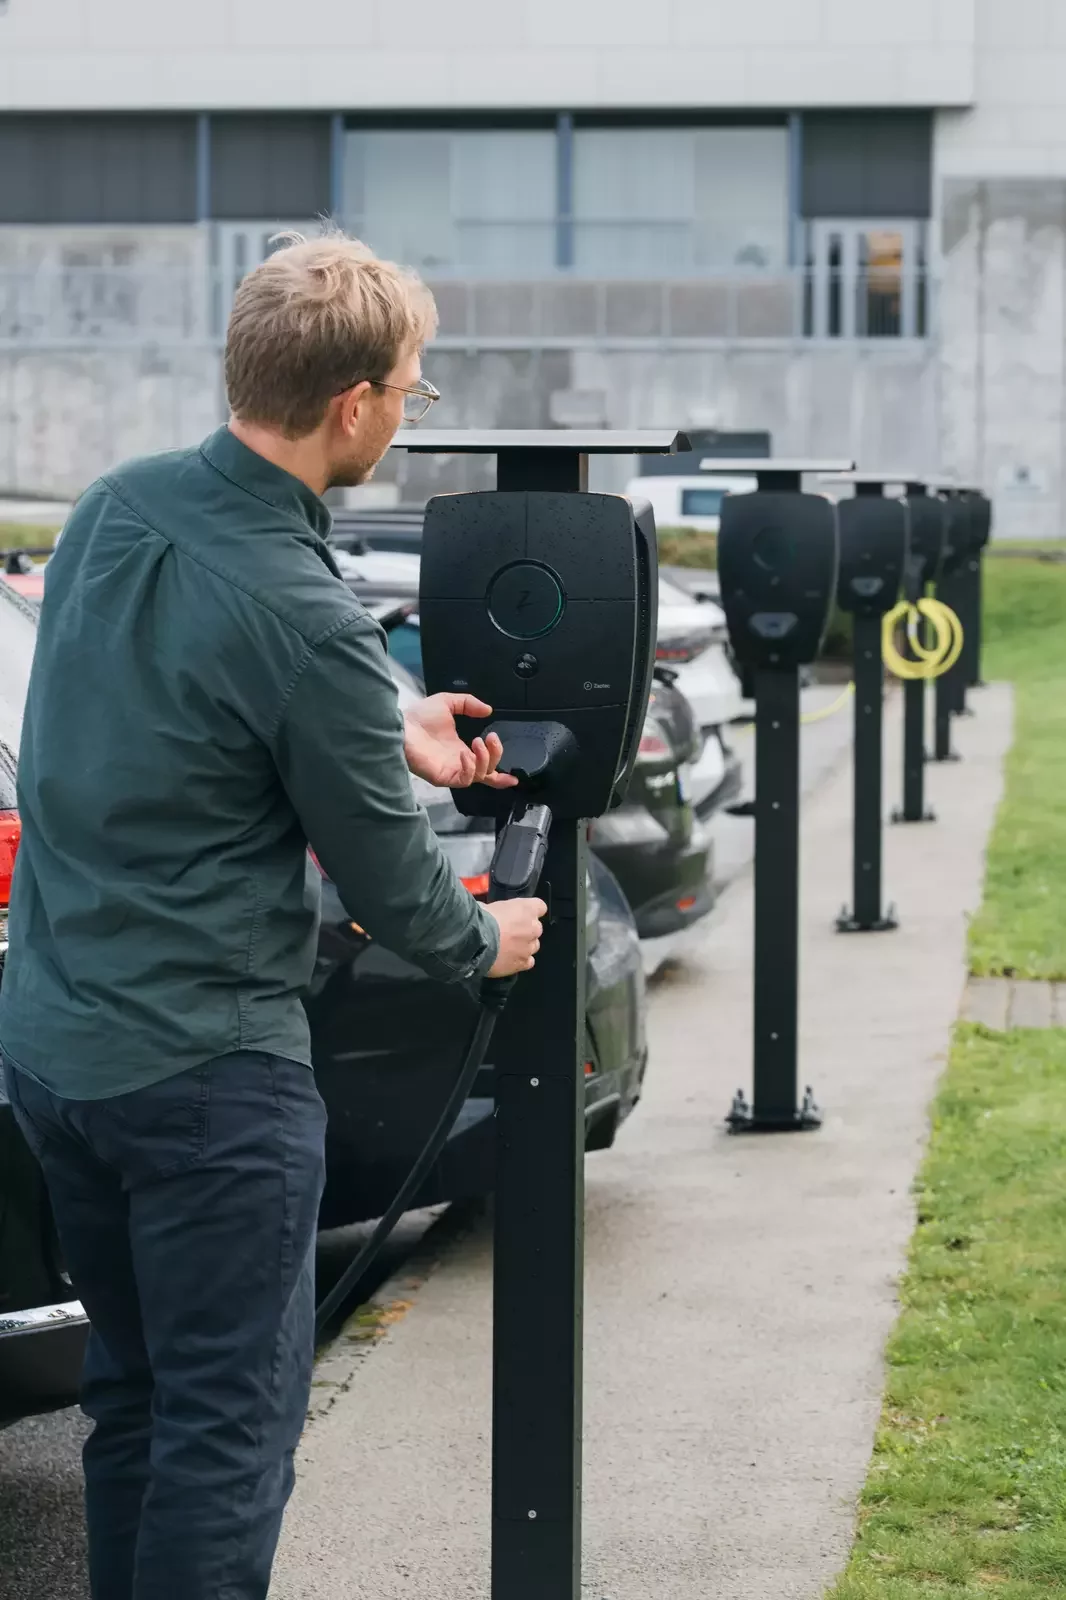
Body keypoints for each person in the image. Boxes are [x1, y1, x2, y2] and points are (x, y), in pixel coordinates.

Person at [0, 232, 546, 1600]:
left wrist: (376, 721)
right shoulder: (308, 618)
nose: (407, 413)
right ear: (351, 404)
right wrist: (485, 939)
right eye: (409, 391)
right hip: (205, 1084)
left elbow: (159, 710)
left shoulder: (115, 507)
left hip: (58, 1057)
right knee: (227, 1436)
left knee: (134, 1401)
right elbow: (397, 891)